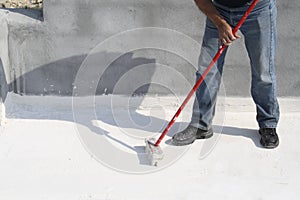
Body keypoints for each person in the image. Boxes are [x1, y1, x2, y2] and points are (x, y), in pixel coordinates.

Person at [172, 0, 280, 148]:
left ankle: (268, 124)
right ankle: (201, 125)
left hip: (257, 9)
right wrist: (220, 24)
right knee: (207, 70)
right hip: (219, 10)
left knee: (263, 71)